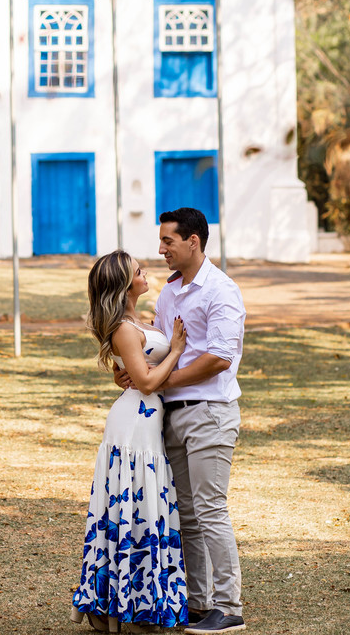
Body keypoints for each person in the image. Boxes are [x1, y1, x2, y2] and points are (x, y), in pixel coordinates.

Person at [117, 207, 247, 633]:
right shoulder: (171, 292)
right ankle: (198, 603)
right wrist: (137, 371)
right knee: (187, 514)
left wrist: (164, 380)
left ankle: (228, 607)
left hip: (209, 412)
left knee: (210, 509)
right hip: (172, 415)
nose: (160, 249)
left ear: (194, 241)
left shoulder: (222, 291)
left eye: (168, 241)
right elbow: (158, 342)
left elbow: (219, 359)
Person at [71, 250, 190, 633]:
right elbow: (148, 382)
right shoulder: (124, 326)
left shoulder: (136, 320)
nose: (146, 273)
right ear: (125, 284)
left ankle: (130, 604)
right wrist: (175, 351)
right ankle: (122, 606)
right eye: (139, 271)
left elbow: (136, 371)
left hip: (146, 424)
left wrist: (135, 369)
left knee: (143, 508)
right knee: (132, 509)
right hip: (133, 428)